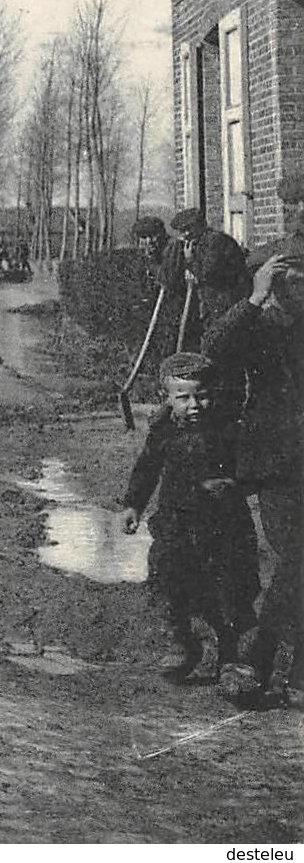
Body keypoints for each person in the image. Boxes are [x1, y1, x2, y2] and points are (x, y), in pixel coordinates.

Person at [204, 172, 304, 707]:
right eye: (293, 207)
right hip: (279, 455)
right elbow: (212, 352)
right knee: (296, 555)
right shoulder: (259, 312)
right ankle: (267, 659)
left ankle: (263, 658)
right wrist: (256, 298)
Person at [120, 351, 258, 685]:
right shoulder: (164, 430)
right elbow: (148, 467)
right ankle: (182, 644)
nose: (195, 405)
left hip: (225, 526)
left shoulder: (228, 429)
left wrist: (234, 483)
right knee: (169, 582)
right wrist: (134, 505)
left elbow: (252, 467)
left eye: (203, 396)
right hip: (176, 523)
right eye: (183, 398)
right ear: (166, 398)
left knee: (230, 592)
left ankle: (232, 662)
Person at [163, 207, 249, 350]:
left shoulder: (216, 241)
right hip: (212, 301)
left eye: (188, 229)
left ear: (200, 225)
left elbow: (208, 273)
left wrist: (190, 260)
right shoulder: (198, 242)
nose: (185, 235)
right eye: (182, 231)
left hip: (227, 299)